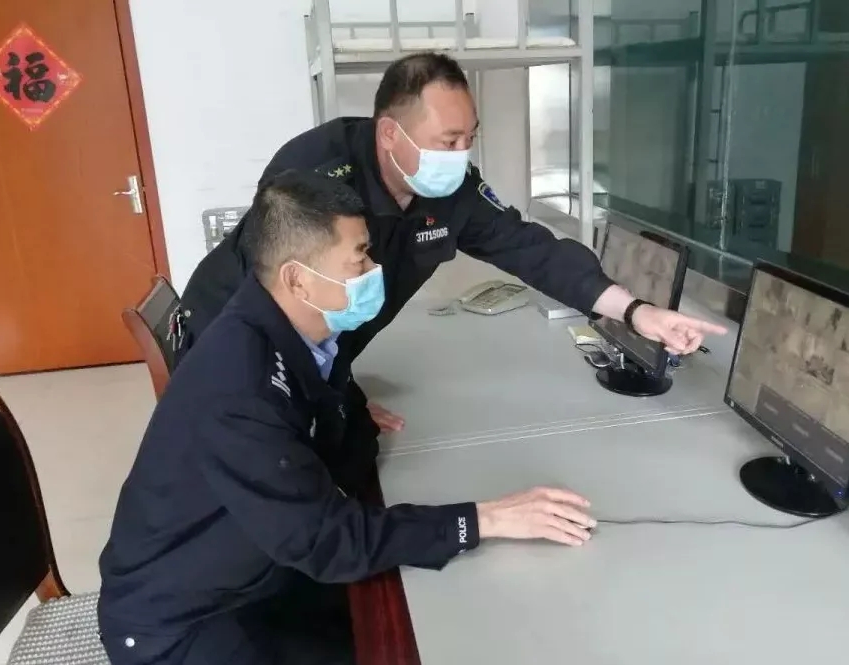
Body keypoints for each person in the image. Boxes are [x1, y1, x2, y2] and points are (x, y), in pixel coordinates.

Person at [97, 171, 597, 665]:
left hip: (257, 572)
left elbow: (346, 445)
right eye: (359, 257)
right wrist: (483, 518)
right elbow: (326, 541)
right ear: (297, 278)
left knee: (420, 613)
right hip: (180, 625)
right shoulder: (240, 386)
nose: (374, 269)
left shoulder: (297, 332)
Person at [177, 51, 726, 434]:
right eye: (447, 141)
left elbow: (530, 249)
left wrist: (635, 311)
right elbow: (286, 304)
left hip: (317, 364)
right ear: (389, 133)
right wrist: (330, 403)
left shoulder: (452, 190)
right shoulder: (314, 174)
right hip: (233, 347)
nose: (461, 155)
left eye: (469, 139)